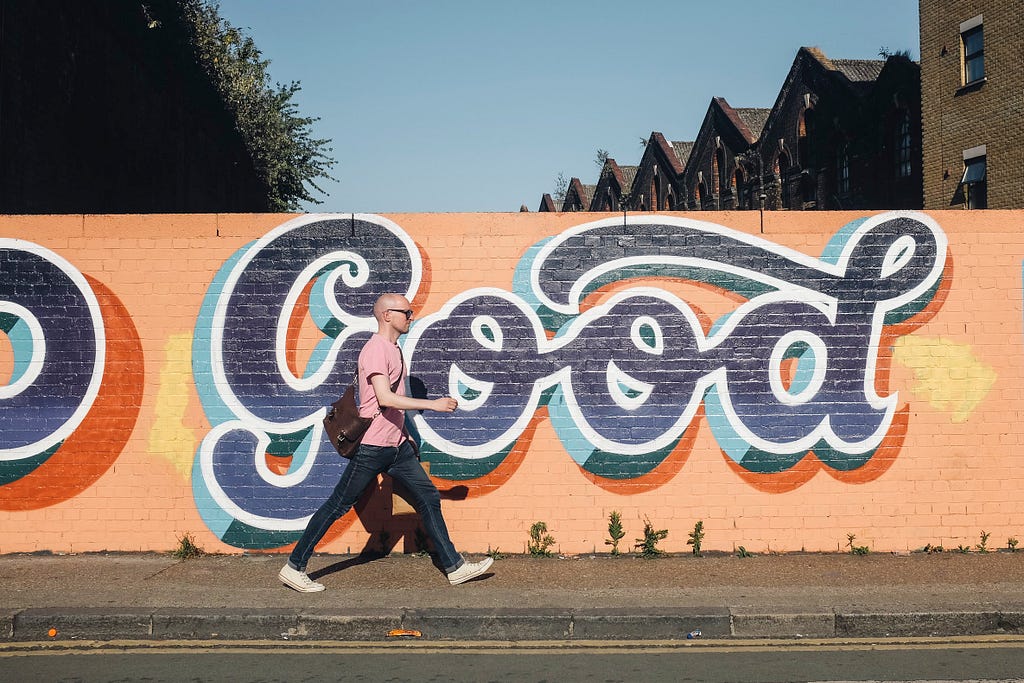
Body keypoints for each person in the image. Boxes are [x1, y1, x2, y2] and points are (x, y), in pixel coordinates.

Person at [279, 293, 494, 592]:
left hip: (396, 448)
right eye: (406, 312)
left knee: (428, 497)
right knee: (338, 505)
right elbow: (384, 398)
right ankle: (294, 566)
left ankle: (454, 567)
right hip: (373, 447)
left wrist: (403, 434)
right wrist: (433, 405)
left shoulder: (393, 349)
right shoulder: (375, 350)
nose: (411, 317)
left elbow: (390, 405)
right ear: (387, 315)